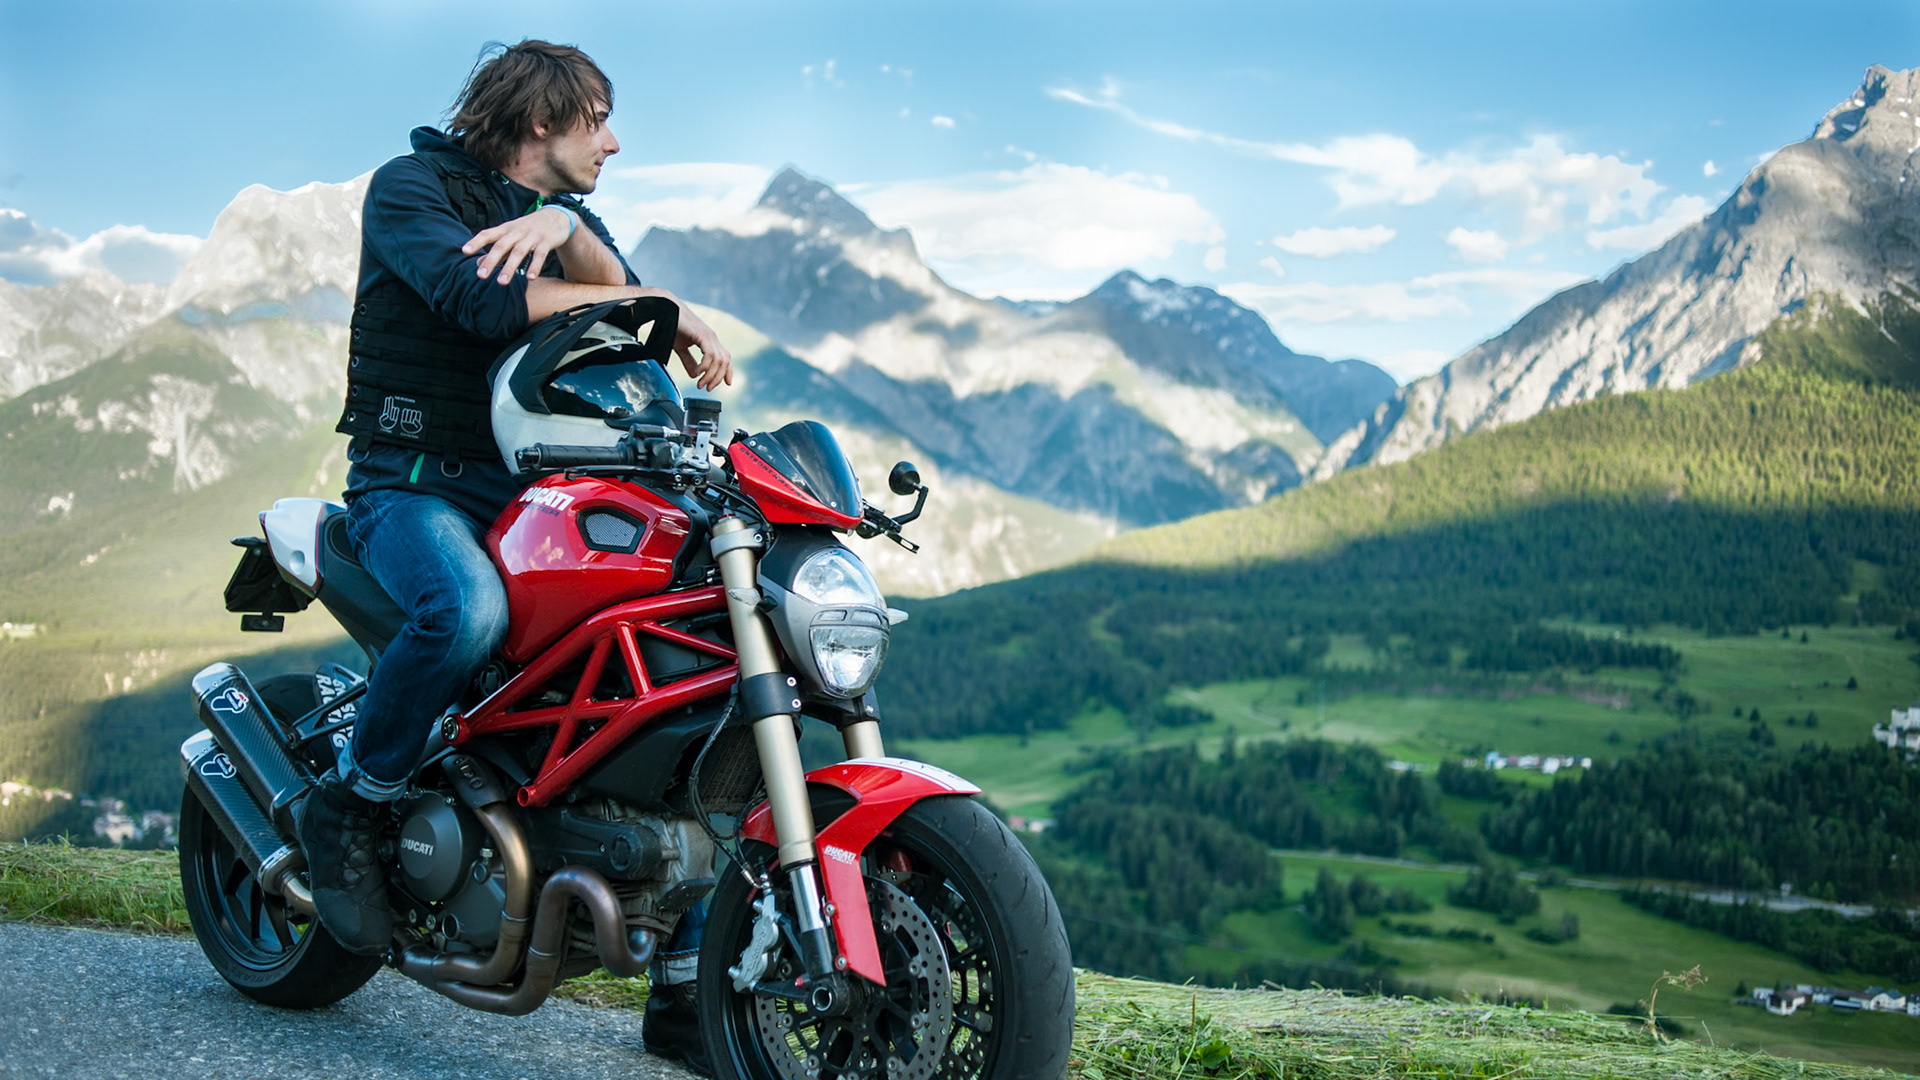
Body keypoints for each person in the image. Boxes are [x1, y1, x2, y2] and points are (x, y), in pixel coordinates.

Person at [297, 39, 729, 1070]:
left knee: (680, 656)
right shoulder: (411, 190)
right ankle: (352, 803)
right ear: (544, 121)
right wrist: (622, 286)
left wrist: (568, 228)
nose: (613, 142)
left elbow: (626, 307)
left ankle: (684, 986)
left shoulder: (559, 218)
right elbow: (483, 302)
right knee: (467, 616)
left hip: (525, 493)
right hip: (410, 481)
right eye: (598, 121)